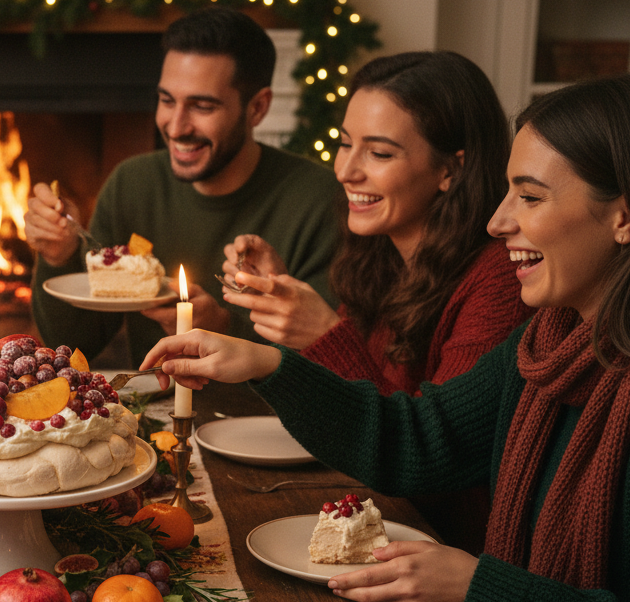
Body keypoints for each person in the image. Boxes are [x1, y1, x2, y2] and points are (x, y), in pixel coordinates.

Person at [143, 73, 630, 602]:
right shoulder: (549, 342)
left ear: (628, 216)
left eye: (529, 197)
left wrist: (488, 589)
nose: (498, 220)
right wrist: (269, 365)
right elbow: (417, 439)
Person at [220, 52, 535, 552]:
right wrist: (281, 295)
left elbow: (431, 458)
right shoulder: (381, 255)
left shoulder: (499, 280)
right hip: (377, 518)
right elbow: (354, 398)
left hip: (446, 549)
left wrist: (322, 335)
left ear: (451, 170)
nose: (345, 170)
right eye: (345, 144)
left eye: (379, 154)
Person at [26, 6, 341, 364]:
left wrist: (223, 330)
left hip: (261, 419)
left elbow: (332, 373)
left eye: (202, 106)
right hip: (154, 412)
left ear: (257, 108)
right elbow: (72, 343)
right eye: (166, 100)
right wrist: (59, 256)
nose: (175, 127)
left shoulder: (318, 200)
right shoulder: (133, 183)